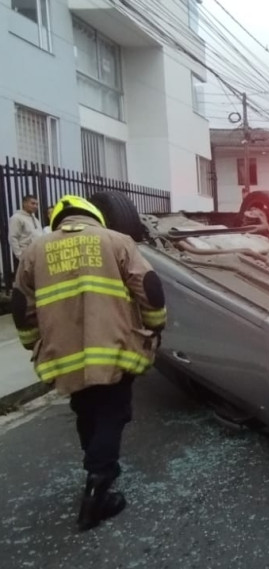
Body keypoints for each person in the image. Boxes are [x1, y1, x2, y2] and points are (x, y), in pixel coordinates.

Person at [11, 195, 167, 532]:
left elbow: (20, 304)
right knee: (113, 412)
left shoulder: (35, 251)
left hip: (65, 355)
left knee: (86, 410)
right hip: (113, 348)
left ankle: (94, 466)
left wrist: (31, 344)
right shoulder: (116, 241)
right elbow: (150, 289)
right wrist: (156, 326)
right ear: (95, 215)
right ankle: (99, 484)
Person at [8, 194, 43, 274]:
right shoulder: (17, 218)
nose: (35, 206)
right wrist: (20, 256)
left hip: (36, 256)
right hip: (25, 256)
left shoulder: (35, 219)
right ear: (24, 203)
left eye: (37, 204)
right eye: (33, 203)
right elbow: (13, 238)